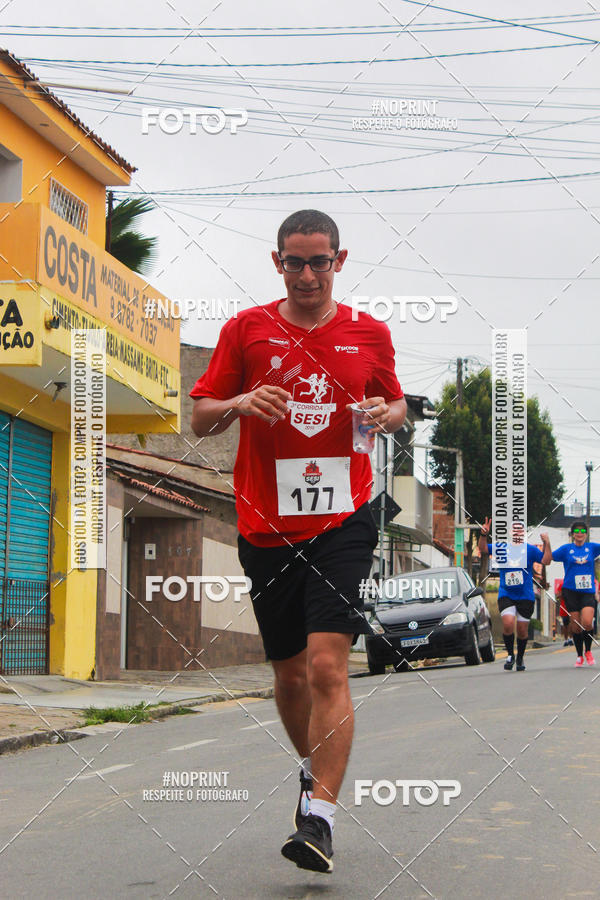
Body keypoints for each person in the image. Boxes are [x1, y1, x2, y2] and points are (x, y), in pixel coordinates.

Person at [190, 209, 407, 874]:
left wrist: (384, 412)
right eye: (295, 261)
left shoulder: (369, 335)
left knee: (325, 666)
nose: (308, 273)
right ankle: (312, 774)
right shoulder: (246, 331)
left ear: (340, 262)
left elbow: (396, 406)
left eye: (319, 261)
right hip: (264, 523)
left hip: (344, 517)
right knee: (287, 675)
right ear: (277, 262)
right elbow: (198, 419)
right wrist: (239, 402)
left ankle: (320, 818)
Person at [478, 518, 551, 671]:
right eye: (514, 529)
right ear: (510, 532)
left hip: (525, 595)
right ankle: (510, 654)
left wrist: (547, 543)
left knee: (523, 630)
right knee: (508, 623)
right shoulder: (502, 547)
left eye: (520, 529)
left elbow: (546, 561)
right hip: (506, 593)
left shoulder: (530, 549)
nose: (517, 531)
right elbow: (484, 549)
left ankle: (520, 657)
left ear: (523, 533)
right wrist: (483, 534)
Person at [552, 521, 600, 666]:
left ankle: (588, 652)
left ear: (586, 534)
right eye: (577, 531)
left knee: (587, 622)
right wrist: (546, 542)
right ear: (573, 534)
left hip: (587, 591)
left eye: (582, 531)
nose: (580, 533)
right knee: (576, 626)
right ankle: (579, 655)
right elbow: (550, 557)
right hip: (570, 591)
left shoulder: (592, 548)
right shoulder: (566, 549)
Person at [555, 579, 573, 646]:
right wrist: (562, 594)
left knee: (571, 624)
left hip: (572, 607)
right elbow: (557, 596)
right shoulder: (562, 585)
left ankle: (570, 639)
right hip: (564, 607)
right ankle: (565, 640)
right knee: (565, 624)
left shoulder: (573, 583)